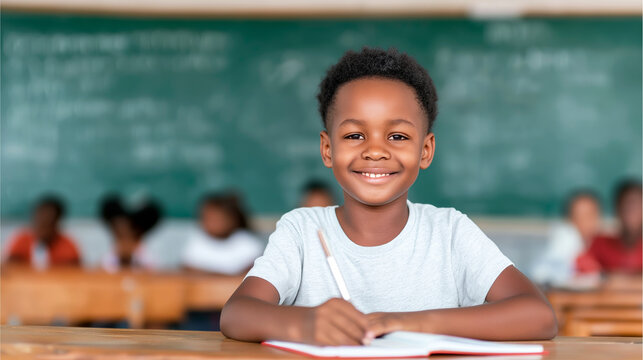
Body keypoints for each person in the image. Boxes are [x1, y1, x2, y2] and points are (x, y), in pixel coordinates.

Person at [220, 47, 557, 345]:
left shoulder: (450, 232)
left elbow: (539, 316)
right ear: (327, 148)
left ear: (425, 151)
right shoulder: (303, 230)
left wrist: (409, 322)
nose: (376, 151)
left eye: (397, 135)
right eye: (355, 135)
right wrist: (305, 324)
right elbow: (236, 314)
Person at [182, 192, 264, 275]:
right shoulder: (197, 241)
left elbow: (253, 271)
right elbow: (188, 269)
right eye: (207, 218)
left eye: (217, 219)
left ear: (233, 220)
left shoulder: (248, 243)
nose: (212, 223)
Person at [531, 190, 602, 285]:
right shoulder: (566, 235)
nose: (584, 221)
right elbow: (540, 274)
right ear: (568, 218)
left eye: (589, 215)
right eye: (577, 216)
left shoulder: (594, 242)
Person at [576, 179, 642, 274]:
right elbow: (582, 268)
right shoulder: (600, 244)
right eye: (627, 206)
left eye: (637, 206)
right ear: (617, 209)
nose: (631, 213)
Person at [3, 195, 80, 268]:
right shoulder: (22, 240)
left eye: (48, 224)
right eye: (40, 222)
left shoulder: (66, 245)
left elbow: (76, 271)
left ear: (57, 223)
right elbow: (8, 267)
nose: (43, 229)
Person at [100, 195, 162, 271]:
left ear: (138, 237)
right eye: (119, 235)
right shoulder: (107, 261)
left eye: (128, 235)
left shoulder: (149, 261)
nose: (124, 242)